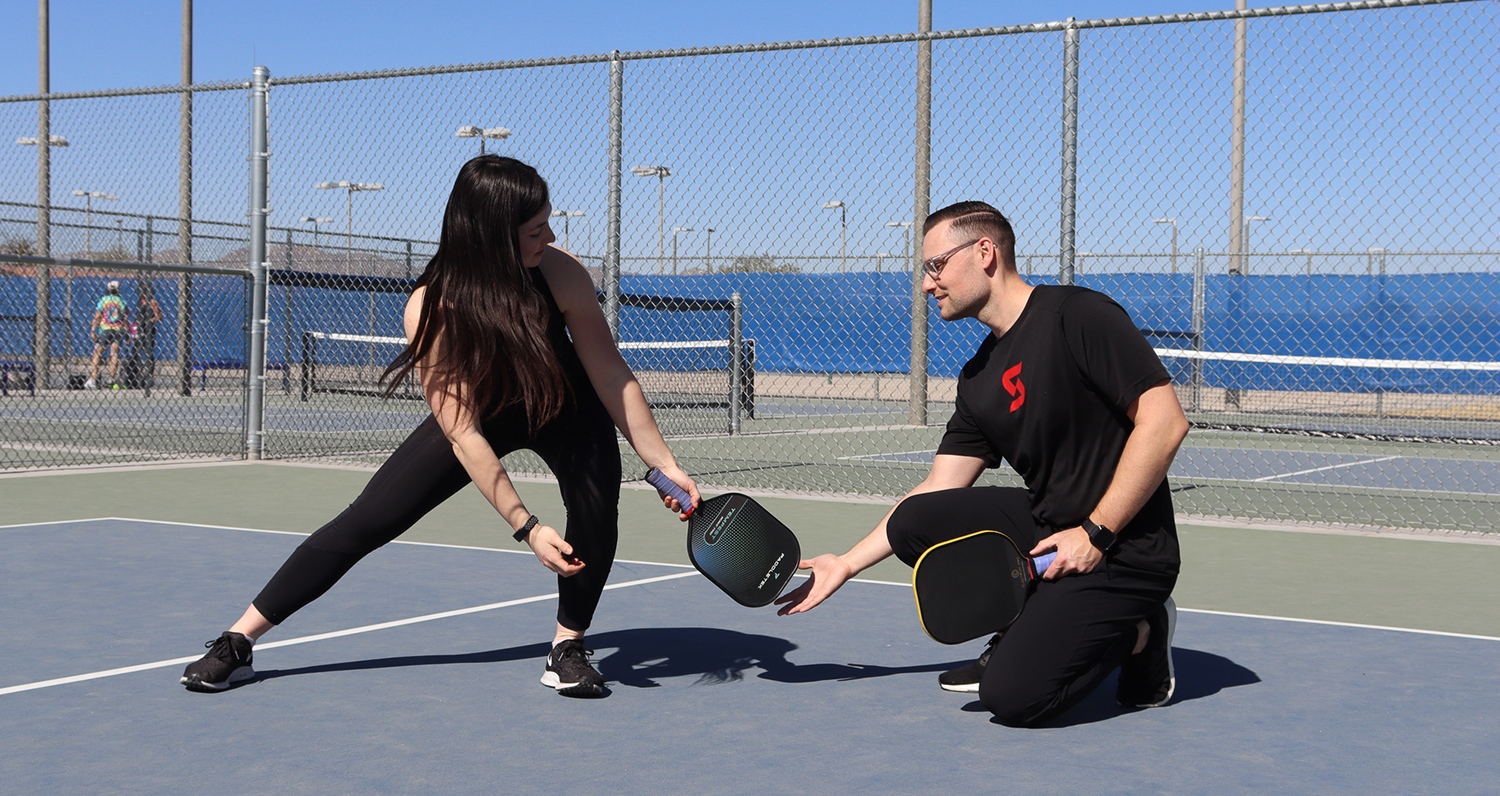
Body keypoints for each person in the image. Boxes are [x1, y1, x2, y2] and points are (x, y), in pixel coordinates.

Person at [180, 156, 699, 697]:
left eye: (548, 221)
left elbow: (611, 373)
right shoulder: (431, 308)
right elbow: (464, 433)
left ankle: (567, 646)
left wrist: (664, 462)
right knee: (366, 520)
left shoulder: (562, 272)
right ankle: (239, 641)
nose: (551, 235)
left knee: (596, 507)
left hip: (564, 406)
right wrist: (528, 526)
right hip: (482, 417)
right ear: (490, 237)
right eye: (534, 229)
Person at [775, 201, 1189, 727]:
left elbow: (1165, 422)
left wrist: (1095, 531)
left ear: (985, 252)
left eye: (936, 266)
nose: (927, 285)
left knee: (1013, 697)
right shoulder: (978, 377)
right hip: (1051, 528)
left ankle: (1140, 632)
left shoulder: (1078, 315)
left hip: (1127, 548)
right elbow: (937, 486)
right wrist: (848, 564)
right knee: (913, 523)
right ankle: (1037, 619)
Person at [86, 280, 129, 389]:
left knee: (97, 353)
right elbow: (125, 319)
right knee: (114, 354)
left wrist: (93, 329)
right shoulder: (122, 302)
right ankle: (111, 378)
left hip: (105, 329)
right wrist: (127, 333)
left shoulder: (104, 300)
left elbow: (98, 316)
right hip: (118, 330)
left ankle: (93, 379)